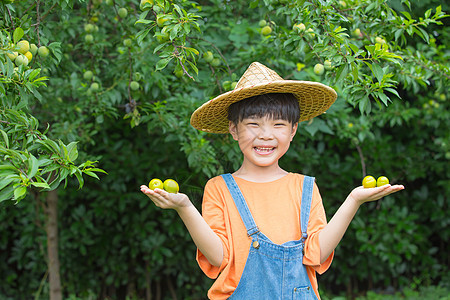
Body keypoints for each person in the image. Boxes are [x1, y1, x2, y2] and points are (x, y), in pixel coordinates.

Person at [140, 62, 405, 299]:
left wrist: (354, 200)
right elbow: (219, 257)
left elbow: (317, 254)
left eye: (278, 124)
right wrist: (185, 207)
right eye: (253, 124)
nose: (266, 135)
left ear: (293, 130)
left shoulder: (305, 187)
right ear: (233, 129)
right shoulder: (219, 188)